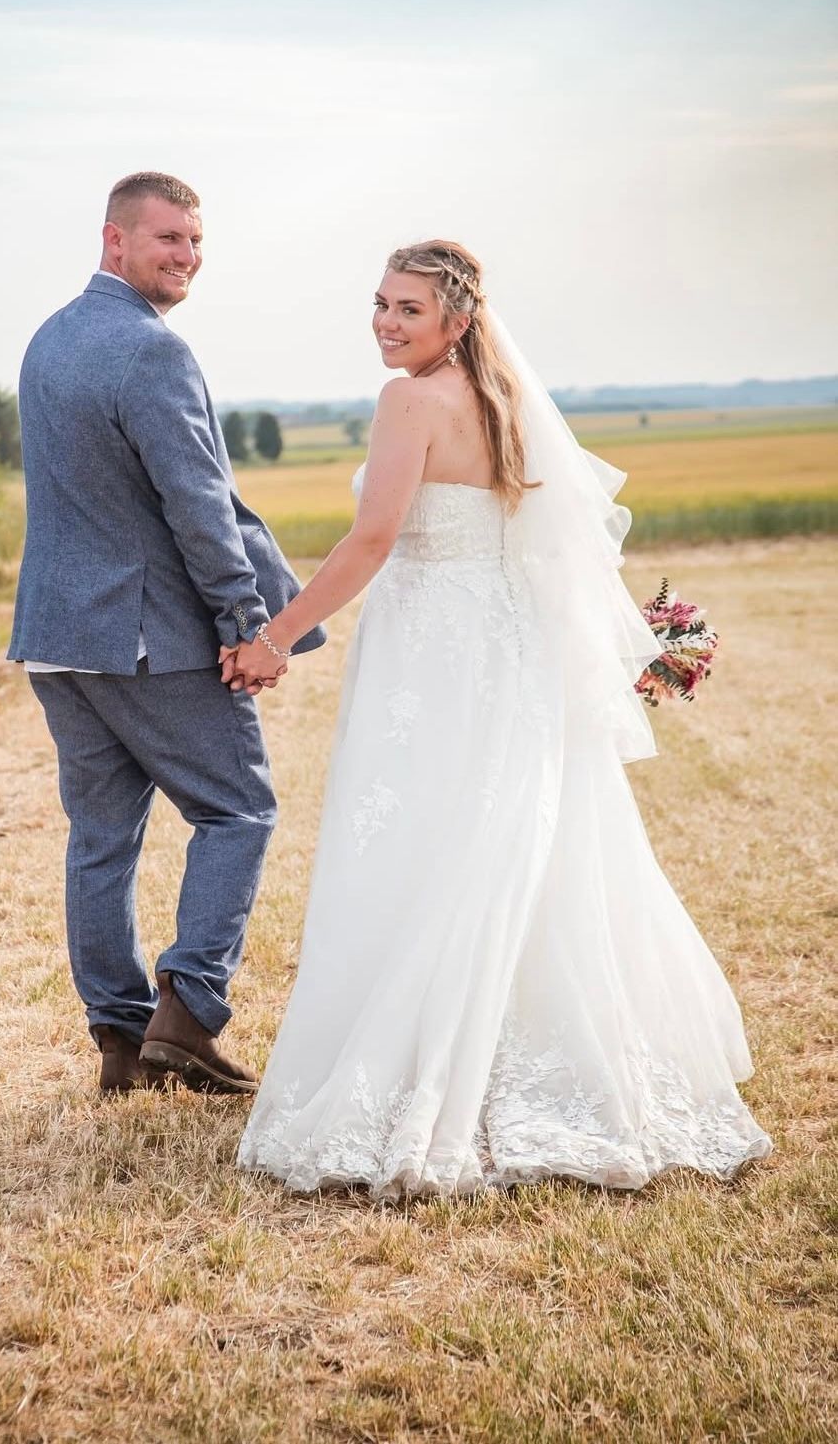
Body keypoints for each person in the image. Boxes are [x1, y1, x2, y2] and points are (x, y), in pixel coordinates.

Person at [231, 240, 772, 1197]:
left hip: (430, 649)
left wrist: (274, 638)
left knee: (421, 843)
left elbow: (371, 540)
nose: (386, 323)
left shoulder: (408, 402)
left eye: (407, 309)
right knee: (510, 842)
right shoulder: (507, 400)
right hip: (503, 646)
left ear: (457, 321)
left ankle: (429, 1077)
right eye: (380, 304)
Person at [8, 172, 323, 1097]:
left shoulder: (47, 340)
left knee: (100, 840)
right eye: (167, 239)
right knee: (240, 809)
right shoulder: (152, 351)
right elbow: (197, 508)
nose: (184, 257)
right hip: (143, 639)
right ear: (115, 241)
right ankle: (186, 1011)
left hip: (59, 639)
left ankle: (118, 1042)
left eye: (194, 242)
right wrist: (241, 619)